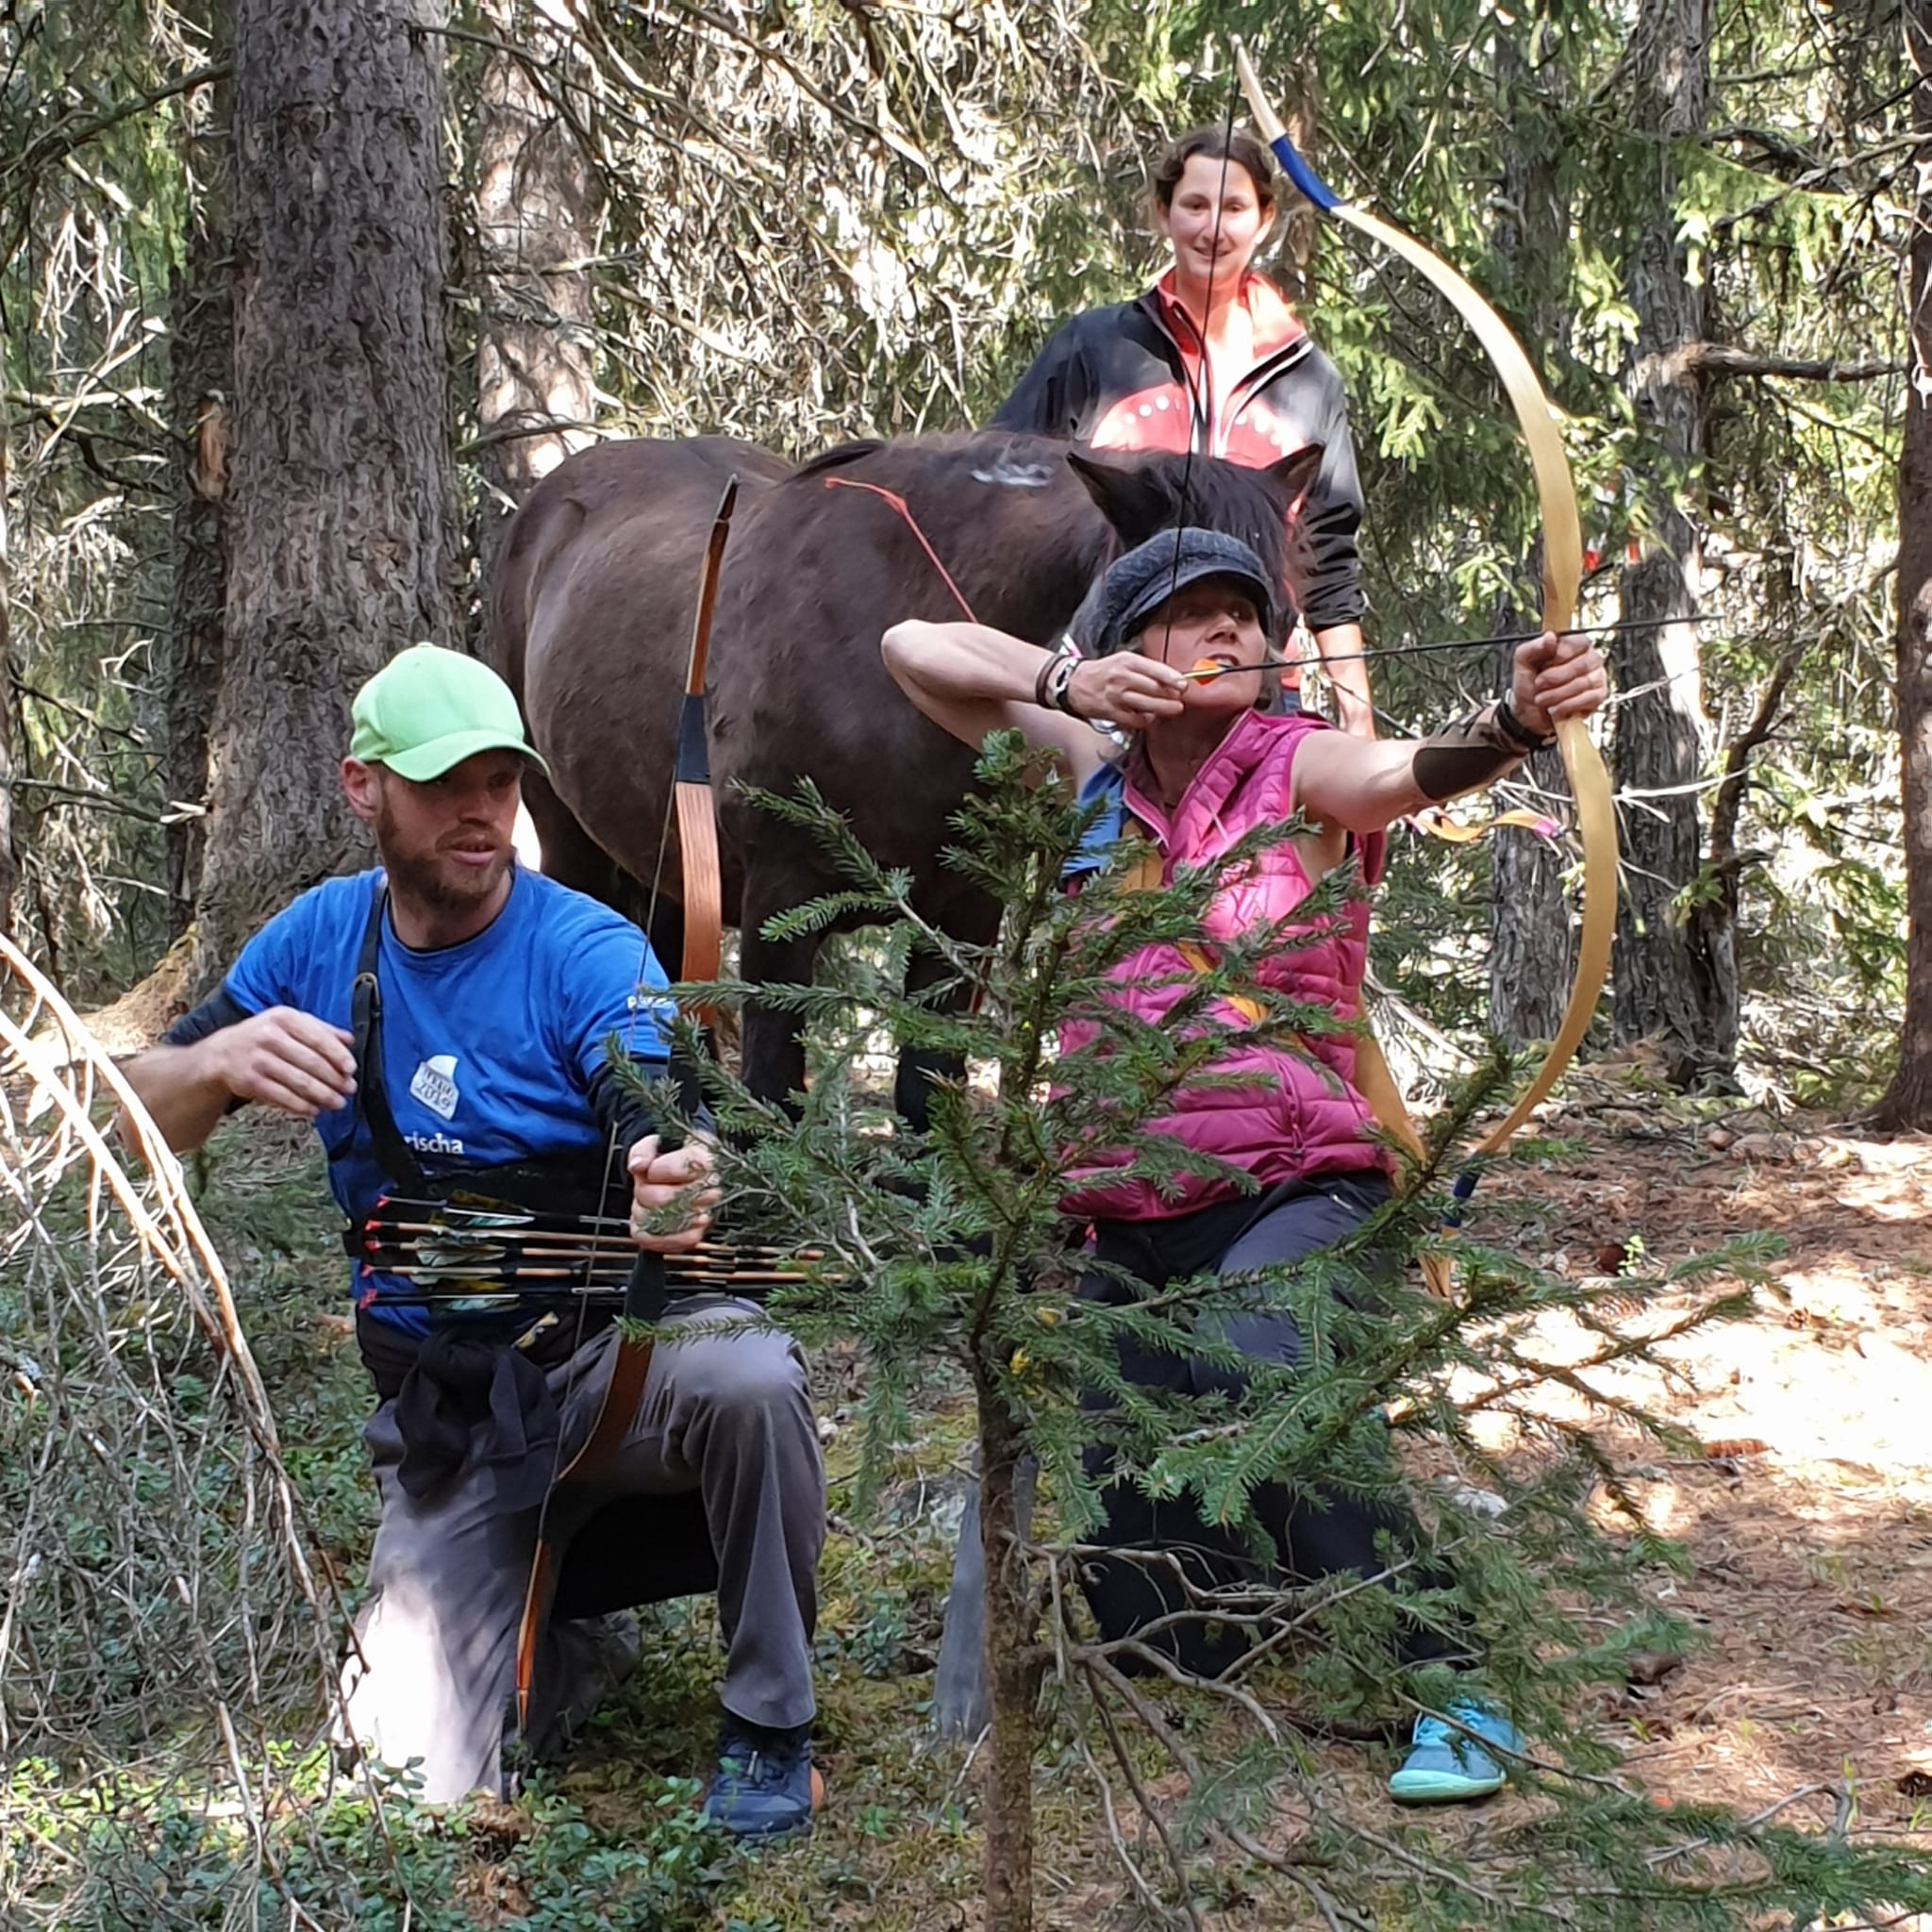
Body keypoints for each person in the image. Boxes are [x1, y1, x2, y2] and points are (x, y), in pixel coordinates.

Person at [882, 529, 1607, 1805]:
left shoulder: (1292, 762)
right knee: (1153, 1603)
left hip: (1304, 1193)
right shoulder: (1090, 773)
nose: (1230, 633)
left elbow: (1400, 776)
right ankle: (1260, 1585)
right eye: (1188, 616)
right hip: (1125, 1217)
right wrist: (1066, 686)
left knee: (1262, 1359)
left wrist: (1513, 717)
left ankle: (1454, 1678)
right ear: (1125, 650)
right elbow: (912, 651)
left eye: (1244, 615)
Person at [119, 644, 825, 1837]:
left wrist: (675, 1159)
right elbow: (132, 1109)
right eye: (446, 782)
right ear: (362, 786)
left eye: (500, 781)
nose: (480, 812)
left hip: (615, 1369)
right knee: (401, 1790)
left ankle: (768, 1728)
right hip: (451, 1403)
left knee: (751, 1373)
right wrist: (204, 1063)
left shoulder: (583, 950)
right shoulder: (316, 942)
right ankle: (568, 1638)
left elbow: (662, 1100)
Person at [994, 126, 1377, 738]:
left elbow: (1328, 560)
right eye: (1195, 205)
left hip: (1256, 698)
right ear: (1162, 213)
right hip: (1109, 687)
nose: (1213, 228)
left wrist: (1357, 718)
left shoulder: (1310, 381)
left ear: (1265, 218)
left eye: (1234, 208)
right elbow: (1006, 487)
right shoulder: (1096, 347)